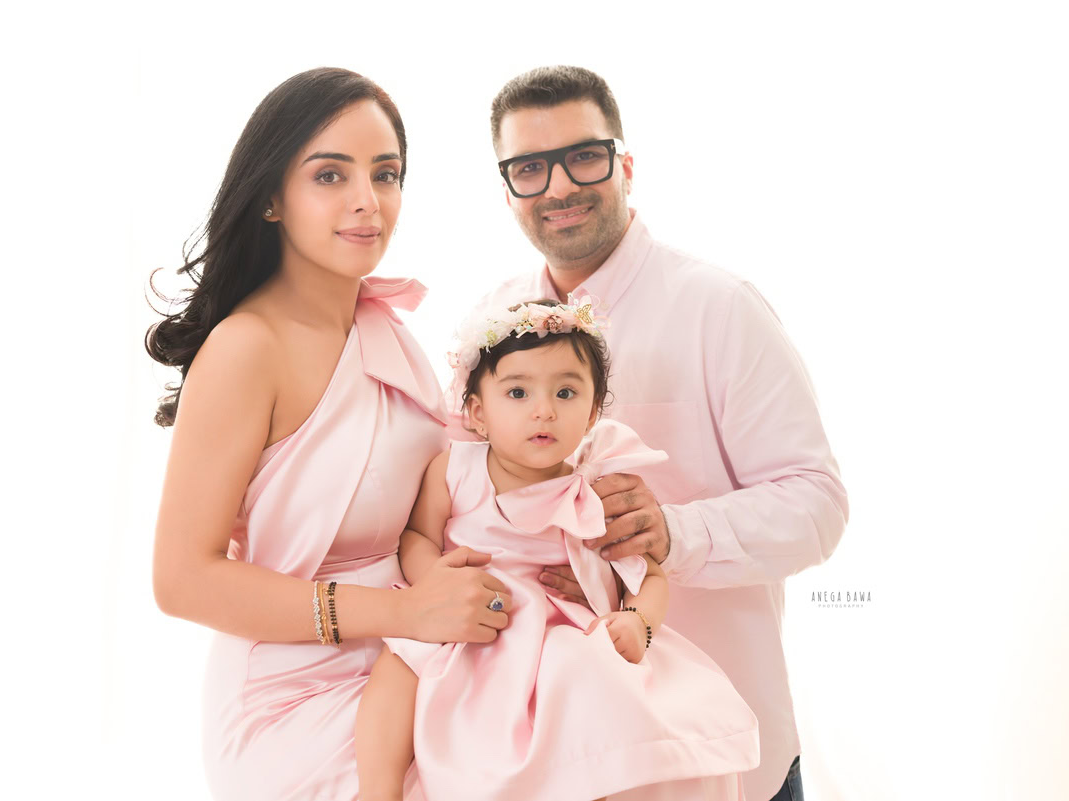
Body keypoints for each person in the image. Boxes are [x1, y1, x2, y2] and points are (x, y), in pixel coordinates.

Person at [454, 66, 850, 801]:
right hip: (554, 769)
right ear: (507, 190)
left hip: (724, 757)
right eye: (529, 168)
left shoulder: (720, 308)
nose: (559, 186)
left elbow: (819, 506)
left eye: (584, 156)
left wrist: (669, 532)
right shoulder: (489, 322)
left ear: (625, 165)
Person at [145, 68, 514, 801]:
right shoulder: (248, 346)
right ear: (273, 198)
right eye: (330, 175)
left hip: (406, 663)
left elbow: (441, 496)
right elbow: (180, 578)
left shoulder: (388, 332)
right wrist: (403, 611)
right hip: (293, 697)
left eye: (386, 174)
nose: (366, 201)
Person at [355, 298, 759, 801]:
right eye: (518, 392)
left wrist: (639, 622)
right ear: (478, 412)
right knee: (401, 660)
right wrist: (434, 575)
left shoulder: (593, 492)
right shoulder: (455, 469)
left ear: (592, 414)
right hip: (469, 611)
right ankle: (378, 786)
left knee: (594, 682)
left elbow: (648, 575)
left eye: (565, 393)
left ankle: (590, 778)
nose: (543, 409)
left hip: (556, 628)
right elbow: (416, 536)